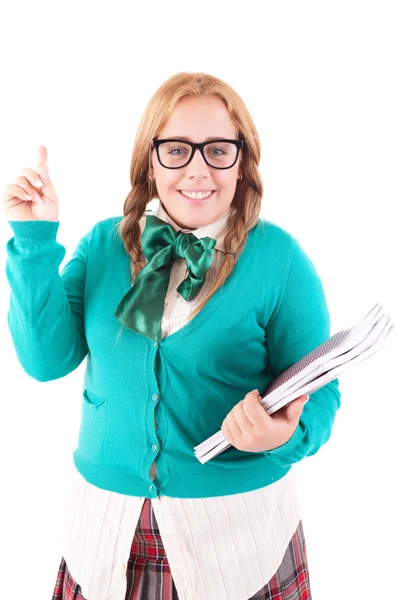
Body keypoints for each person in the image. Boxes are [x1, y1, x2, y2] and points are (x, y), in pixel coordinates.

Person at [3, 71, 341, 600]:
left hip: (239, 541)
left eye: (218, 150)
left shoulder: (281, 260)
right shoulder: (103, 247)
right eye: (177, 149)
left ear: (243, 162)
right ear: (150, 161)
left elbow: (319, 392)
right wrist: (33, 236)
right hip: (104, 538)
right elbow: (45, 359)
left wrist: (283, 438)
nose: (198, 170)